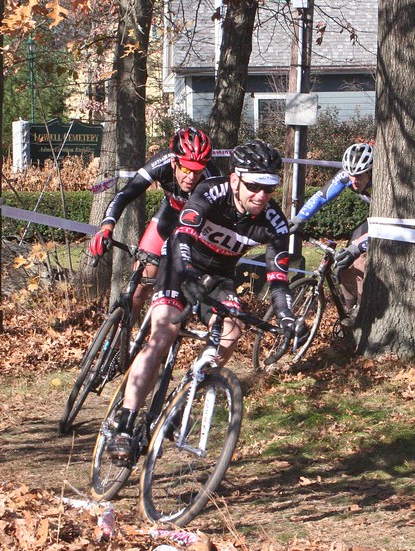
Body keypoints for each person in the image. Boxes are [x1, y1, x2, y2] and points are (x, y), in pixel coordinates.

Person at [106, 139, 298, 465]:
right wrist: (189, 276)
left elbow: (278, 276)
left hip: (219, 278)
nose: (261, 196)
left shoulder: (274, 222)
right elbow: (181, 235)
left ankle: (185, 395)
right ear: (235, 179)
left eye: (269, 188)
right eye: (254, 186)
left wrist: (286, 314)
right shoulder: (211, 191)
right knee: (163, 333)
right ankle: (124, 423)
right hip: (180, 264)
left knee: (232, 332)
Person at [88, 126, 217, 321]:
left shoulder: (212, 179)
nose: (191, 177)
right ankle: (120, 343)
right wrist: (106, 227)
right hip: (169, 217)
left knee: (179, 296)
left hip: (198, 230)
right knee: (139, 287)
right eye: (185, 169)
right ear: (174, 162)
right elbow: (125, 194)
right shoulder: (161, 163)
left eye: (197, 171)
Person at [289, 141, 373, 328]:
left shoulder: (382, 183)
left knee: (359, 259)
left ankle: (362, 309)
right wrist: (300, 218)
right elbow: (321, 196)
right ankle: (350, 311)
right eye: (350, 175)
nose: (353, 181)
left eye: (359, 176)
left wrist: (357, 248)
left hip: (394, 222)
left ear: (370, 171)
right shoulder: (349, 176)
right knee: (344, 264)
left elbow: (384, 227)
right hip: (374, 219)